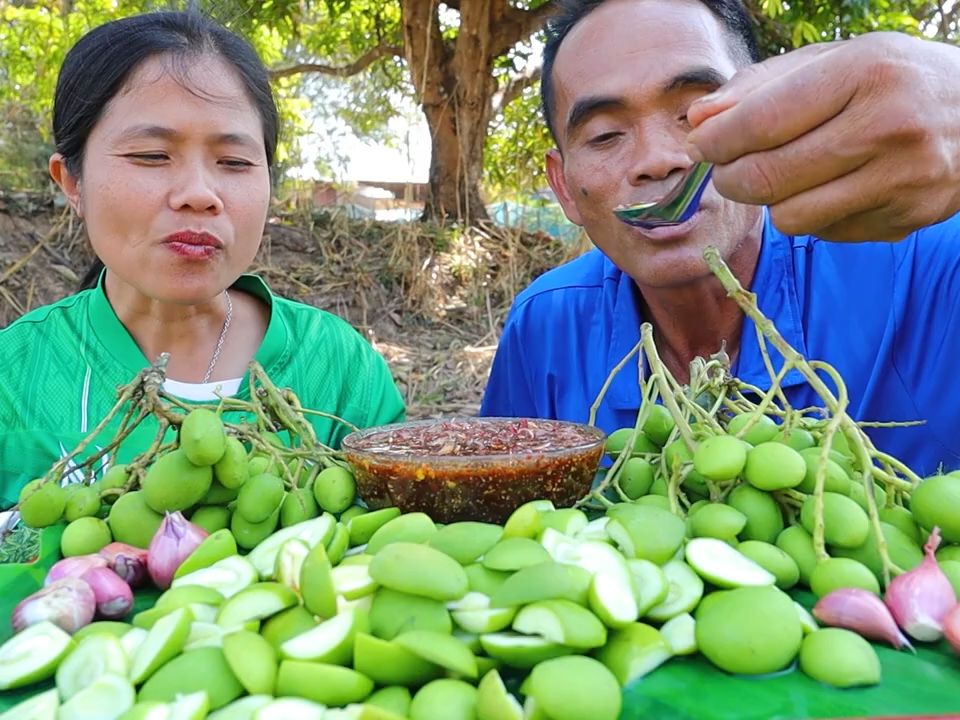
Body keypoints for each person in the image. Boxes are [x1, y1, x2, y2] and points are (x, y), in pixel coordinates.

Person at [480, 0, 960, 476]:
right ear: (564, 187)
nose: (658, 159)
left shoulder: (926, 267)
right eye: (606, 135)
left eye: (694, 112)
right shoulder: (542, 328)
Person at [0, 11, 405, 507]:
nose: (199, 194)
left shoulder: (342, 369)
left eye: (234, 162)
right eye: (151, 155)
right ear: (71, 182)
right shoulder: (14, 377)